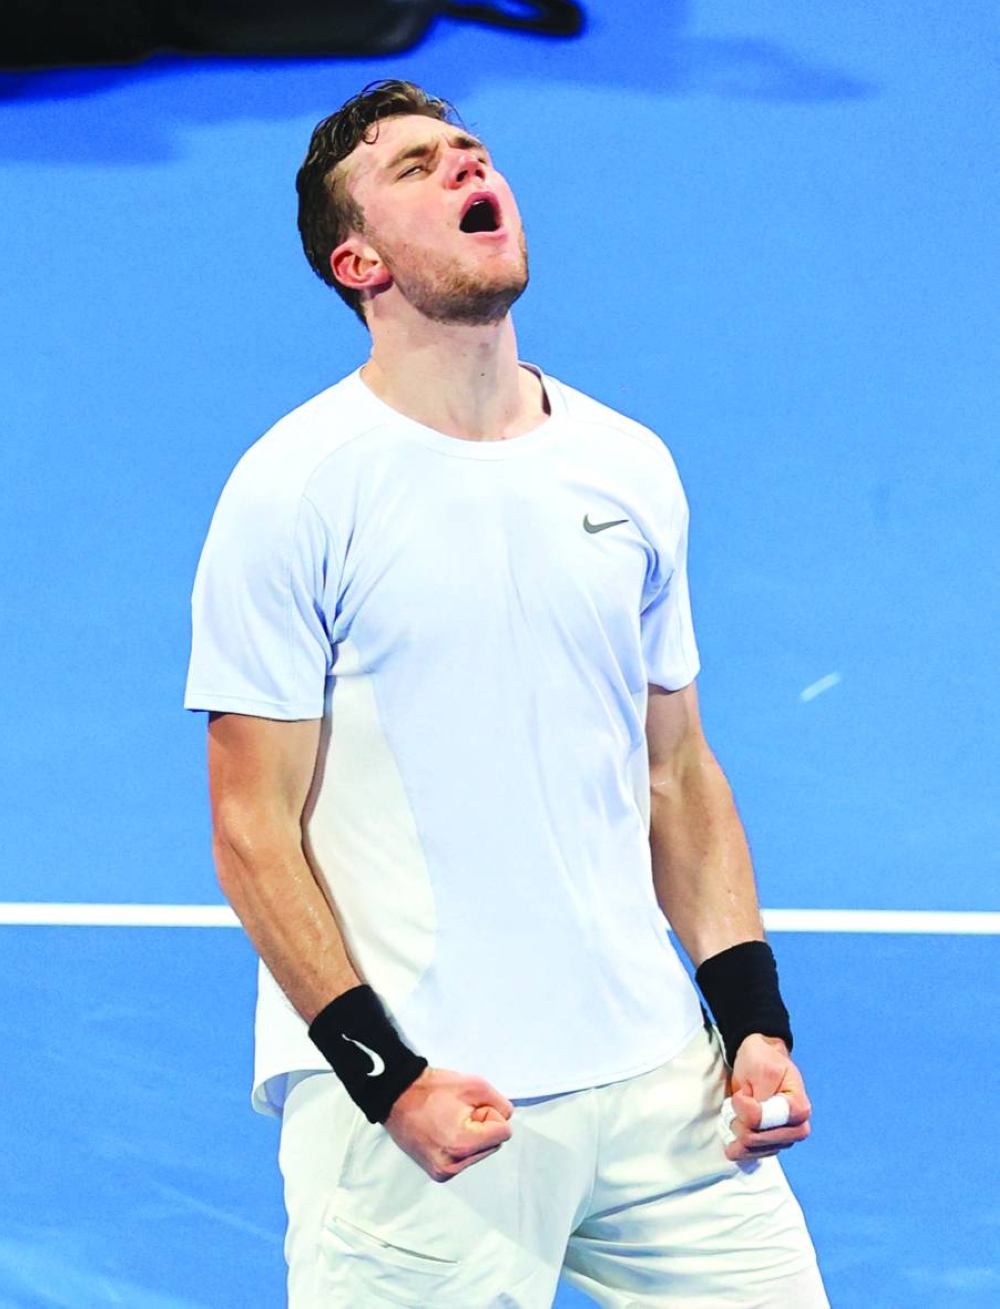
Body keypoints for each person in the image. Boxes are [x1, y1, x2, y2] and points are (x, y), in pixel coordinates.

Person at [185, 79, 828, 1307]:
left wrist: (751, 1021)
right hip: (426, 1111)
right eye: (416, 165)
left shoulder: (626, 464)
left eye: (471, 150)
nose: (467, 166)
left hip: (661, 1088)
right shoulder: (293, 490)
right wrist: (386, 1079)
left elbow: (676, 772)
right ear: (359, 261)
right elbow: (249, 825)